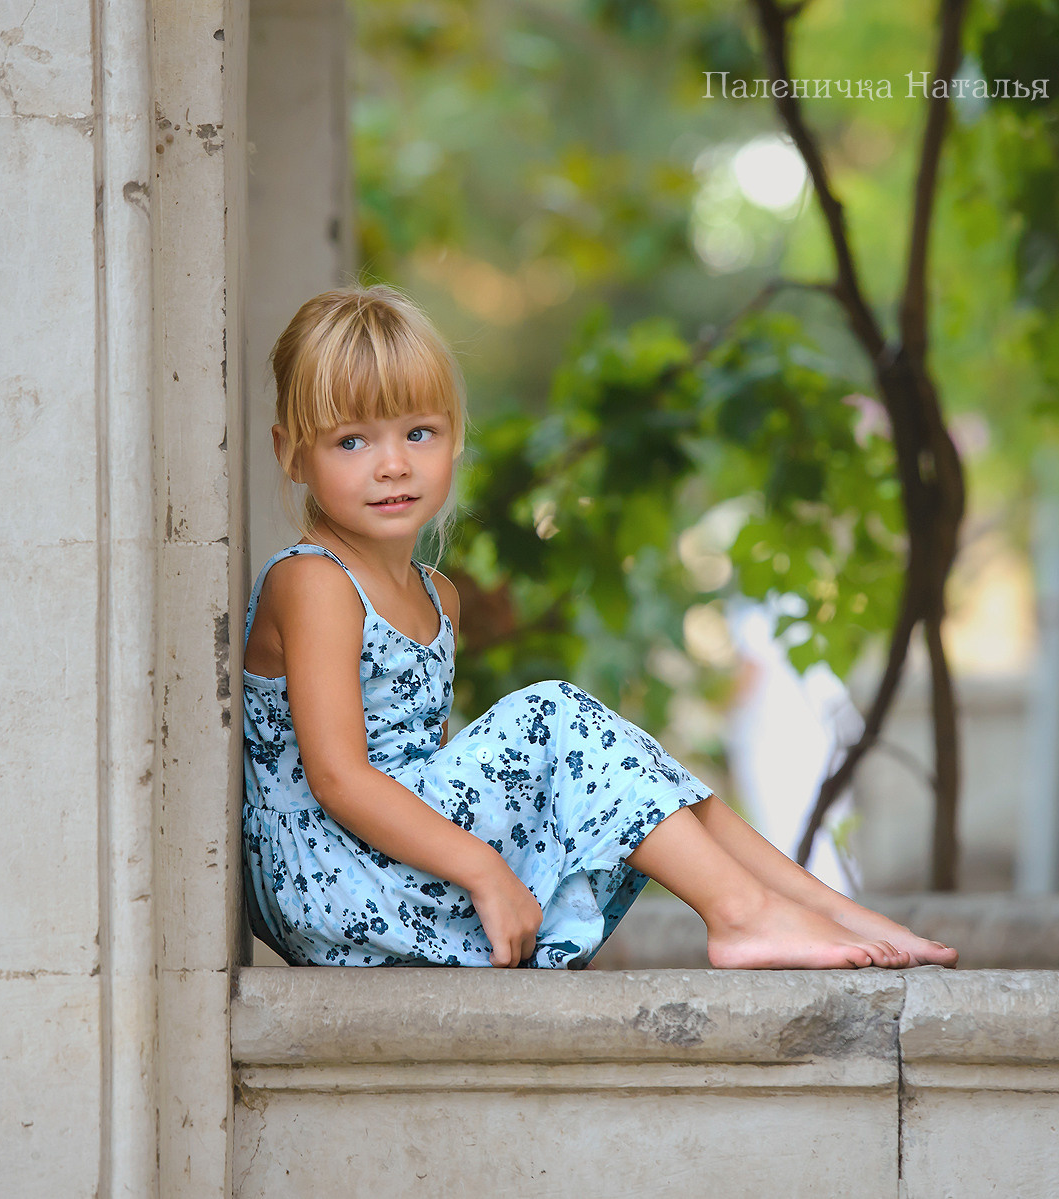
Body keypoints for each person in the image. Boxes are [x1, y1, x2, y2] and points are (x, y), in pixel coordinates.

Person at [242, 284, 958, 972]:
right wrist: (484, 869)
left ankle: (821, 905)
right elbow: (340, 778)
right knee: (557, 717)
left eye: (418, 432)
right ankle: (742, 911)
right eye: (351, 443)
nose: (392, 464)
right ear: (291, 452)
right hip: (331, 880)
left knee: (621, 756)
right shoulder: (313, 580)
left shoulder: (439, 596)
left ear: (454, 438)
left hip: (393, 862)